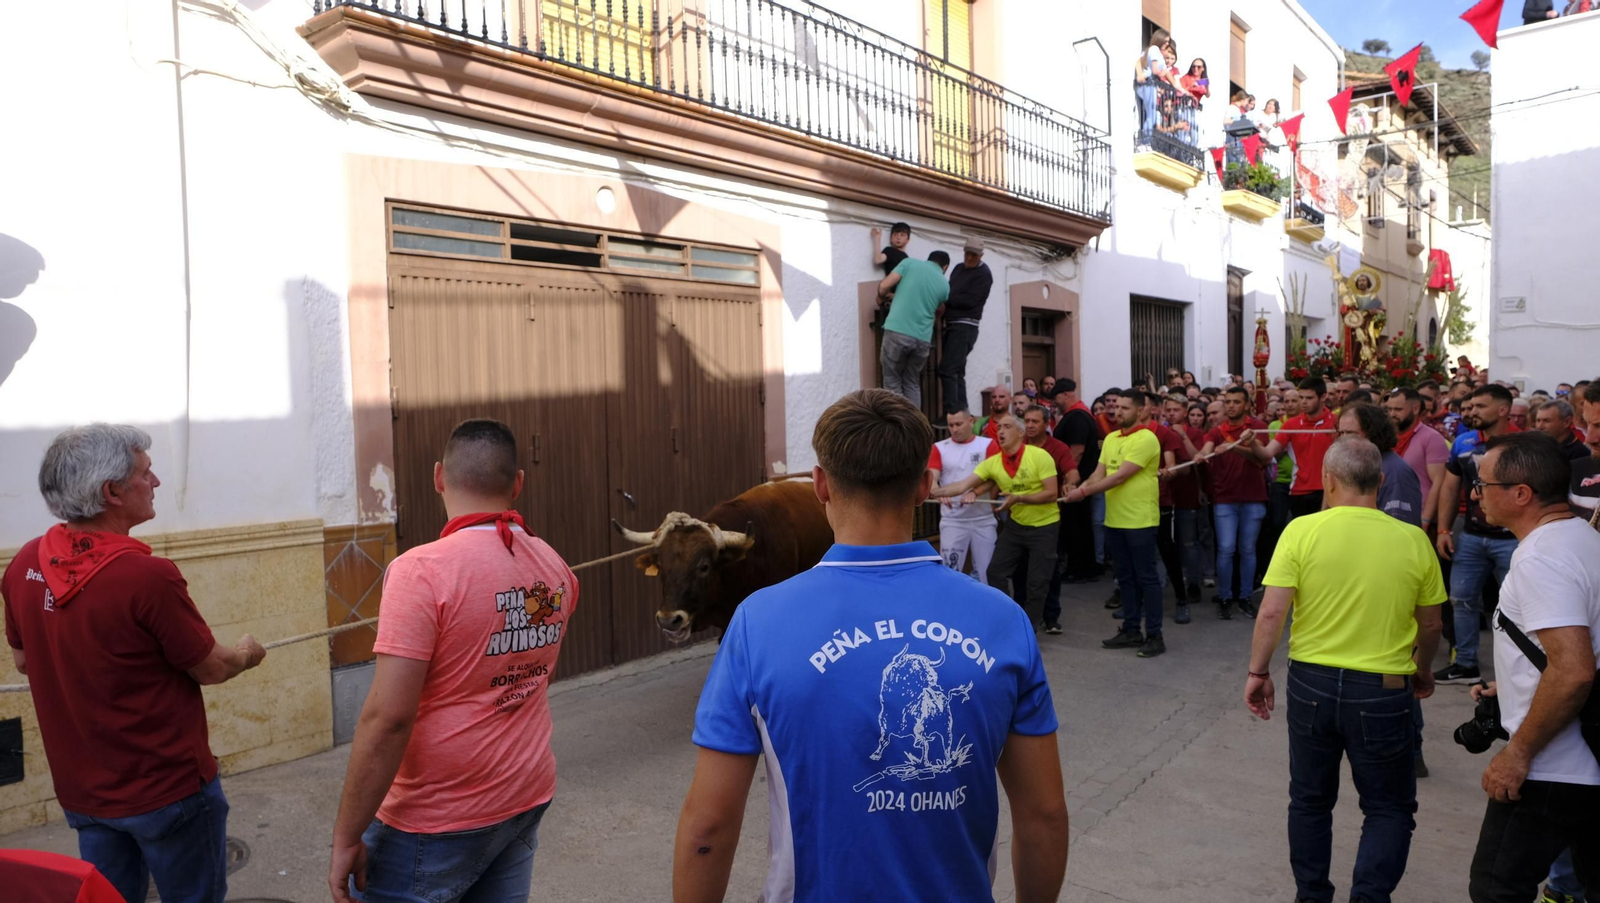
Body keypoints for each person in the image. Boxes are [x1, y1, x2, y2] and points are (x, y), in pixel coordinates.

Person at [673, 389, 1068, 902]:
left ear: (819, 485)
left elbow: (708, 828)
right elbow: (1043, 814)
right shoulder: (1002, 619)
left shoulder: (758, 622)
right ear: (927, 486)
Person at [1, 424, 267, 903]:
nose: (157, 482)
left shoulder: (24, 564)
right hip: (168, 793)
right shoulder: (146, 577)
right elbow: (210, 668)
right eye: (146, 473)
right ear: (112, 492)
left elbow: (23, 660)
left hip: (85, 796)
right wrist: (247, 653)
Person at [329, 419, 577, 902]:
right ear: (518, 483)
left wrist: (345, 837)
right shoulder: (553, 564)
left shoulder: (421, 572)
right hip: (525, 794)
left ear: (439, 476)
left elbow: (388, 719)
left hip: (436, 818)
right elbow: (534, 674)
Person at [1244, 437, 1444, 903]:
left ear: (1328, 481)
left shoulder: (1301, 531)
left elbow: (1272, 612)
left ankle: (1311, 895)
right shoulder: (1412, 538)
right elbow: (1431, 621)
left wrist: (1259, 672)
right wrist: (1423, 670)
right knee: (1388, 808)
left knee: (1310, 800)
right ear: (1379, 481)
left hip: (1310, 682)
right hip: (1383, 688)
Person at [1462, 432, 1600, 903]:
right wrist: (1515, 683)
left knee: (1498, 888)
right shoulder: (1583, 538)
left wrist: (1517, 754)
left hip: (1553, 767)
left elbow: (1575, 669)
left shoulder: (1541, 558)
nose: (1475, 494)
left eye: (1482, 485)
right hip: (1587, 760)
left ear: (1521, 494)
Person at [932, 412, 1061, 627]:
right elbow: (961, 486)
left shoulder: (1039, 456)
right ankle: (1006, 619)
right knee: (994, 572)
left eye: (1007, 427)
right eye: (999, 427)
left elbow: (1052, 494)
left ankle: (1029, 629)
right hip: (1017, 525)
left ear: (1020, 433)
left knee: (1037, 582)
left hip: (1044, 526)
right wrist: (931, 492)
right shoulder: (993, 463)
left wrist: (1020, 497)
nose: (1001, 431)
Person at [1066, 390, 1167, 658]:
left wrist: (1084, 493)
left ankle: (1155, 634)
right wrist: (1078, 487)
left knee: (1147, 578)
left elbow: (1119, 477)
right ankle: (1132, 629)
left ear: (1141, 410)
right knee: (1125, 578)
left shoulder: (1146, 439)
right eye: (1117, 407)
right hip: (1115, 519)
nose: (1117, 412)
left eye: (1125, 408)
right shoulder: (1110, 438)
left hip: (1140, 520)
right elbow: (1100, 473)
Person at [1435, 385, 1521, 683]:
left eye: (1480, 406)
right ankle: (1466, 663)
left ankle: (1520, 670)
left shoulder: (1524, 443)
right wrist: (1444, 529)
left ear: (1503, 410)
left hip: (1514, 539)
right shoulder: (1463, 442)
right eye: (1470, 406)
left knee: (1519, 605)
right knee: (1461, 600)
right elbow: (1449, 487)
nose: (1472, 411)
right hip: (1471, 536)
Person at [1198, 387, 1270, 620]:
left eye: (1236, 402)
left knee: (1248, 550)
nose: (1230, 406)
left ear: (1247, 405)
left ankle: (1245, 597)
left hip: (1253, 497)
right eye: (1227, 402)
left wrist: (1235, 447)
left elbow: (1261, 458)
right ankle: (1226, 597)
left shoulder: (1258, 427)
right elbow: (1207, 448)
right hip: (1224, 498)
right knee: (1227, 549)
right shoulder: (1217, 431)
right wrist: (1202, 455)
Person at [1022, 405, 1081, 634]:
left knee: (1048, 568)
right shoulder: (1019, 446)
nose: (1029, 425)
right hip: (1019, 516)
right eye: (1026, 421)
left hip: (1047, 519)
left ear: (1046, 424)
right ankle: (1023, 616)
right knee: (1021, 569)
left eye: (1034, 421)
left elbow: (1072, 471)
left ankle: (1051, 616)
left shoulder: (1058, 447)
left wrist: (1070, 483)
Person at [1248, 376, 1339, 519]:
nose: (1304, 402)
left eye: (1309, 398)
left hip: (1330, 489)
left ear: (1323, 397)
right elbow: (1267, 454)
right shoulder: (1291, 424)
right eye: (1301, 397)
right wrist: (1252, 442)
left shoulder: (1336, 422)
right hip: (1299, 491)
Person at [929, 409, 1000, 585]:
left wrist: (975, 491)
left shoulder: (988, 444)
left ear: (971, 421)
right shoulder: (939, 447)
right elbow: (931, 478)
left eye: (958, 424)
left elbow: (995, 477)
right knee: (950, 571)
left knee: (988, 572)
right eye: (951, 425)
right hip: (953, 520)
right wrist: (938, 492)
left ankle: (988, 609)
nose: (954, 429)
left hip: (982, 518)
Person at [876, 251, 951, 409]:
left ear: (928, 259)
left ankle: (898, 424)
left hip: (897, 331)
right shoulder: (945, 286)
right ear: (945, 267)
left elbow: (884, 285)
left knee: (892, 380)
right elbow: (938, 309)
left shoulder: (910, 263)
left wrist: (881, 297)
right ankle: (913, 424)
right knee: (911, 382)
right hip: (922, 339)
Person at [1051, 379, 1104, 583]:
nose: (1055, 402)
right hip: (1081, 479)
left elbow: (1077, 450)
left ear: (1066, 395)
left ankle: (1079, 567)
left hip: (1077, 480)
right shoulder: (1079, 415)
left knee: (1075, 524)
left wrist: (1069, 479)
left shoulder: (1077, 417)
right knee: (1080, 523)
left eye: (1056, 397)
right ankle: (1083, 566)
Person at [1341, 402, 1423, 527]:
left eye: (1351, 433)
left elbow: (1400, 527)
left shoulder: (1396, 472)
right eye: (1341, 433)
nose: (1343, 440)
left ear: (1373, 433)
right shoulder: (1356, 464)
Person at [1388, 387, 1452, 541]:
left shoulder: (1431, 438)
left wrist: (1425, 520)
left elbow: (1439, 482)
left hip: (1419, 518)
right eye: (1389, 409)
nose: (1392, 414)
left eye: (1398, 409)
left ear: (1415, 408)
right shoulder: (1387, 437)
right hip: (1390, 516)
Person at [938, 238, 993, 416]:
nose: (969, 258)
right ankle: (963, 411)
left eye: (973, 255)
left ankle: (953, 412)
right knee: (957, 371)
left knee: (947, 369)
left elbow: (970, 301)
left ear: (980, 256)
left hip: (964, 327)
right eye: (967, 253)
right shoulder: (958, 269)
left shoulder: (984, 274)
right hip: (953, 324)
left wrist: (947, 300)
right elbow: (951, 291)